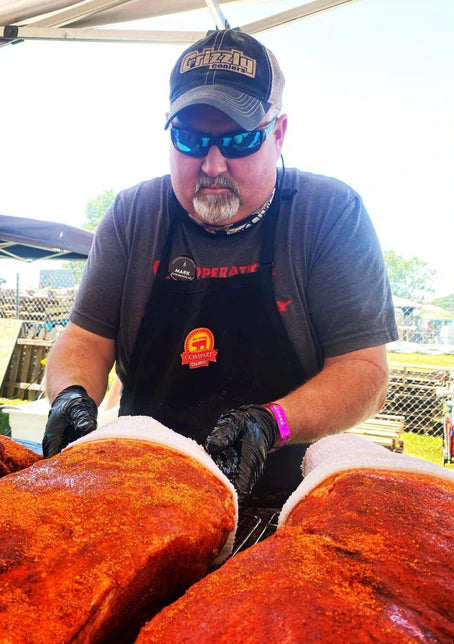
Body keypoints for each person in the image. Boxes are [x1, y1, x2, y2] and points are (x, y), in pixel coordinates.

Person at [43, 29, 398, 506]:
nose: (212, 164)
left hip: (281, 502)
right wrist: (69, 394)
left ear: (278, 134)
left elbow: (364, 372)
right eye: (190, 139)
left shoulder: (327, 213)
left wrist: (271, 423)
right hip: (138, 488)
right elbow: (86, 338)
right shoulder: (133, 214)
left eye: (238, 140)